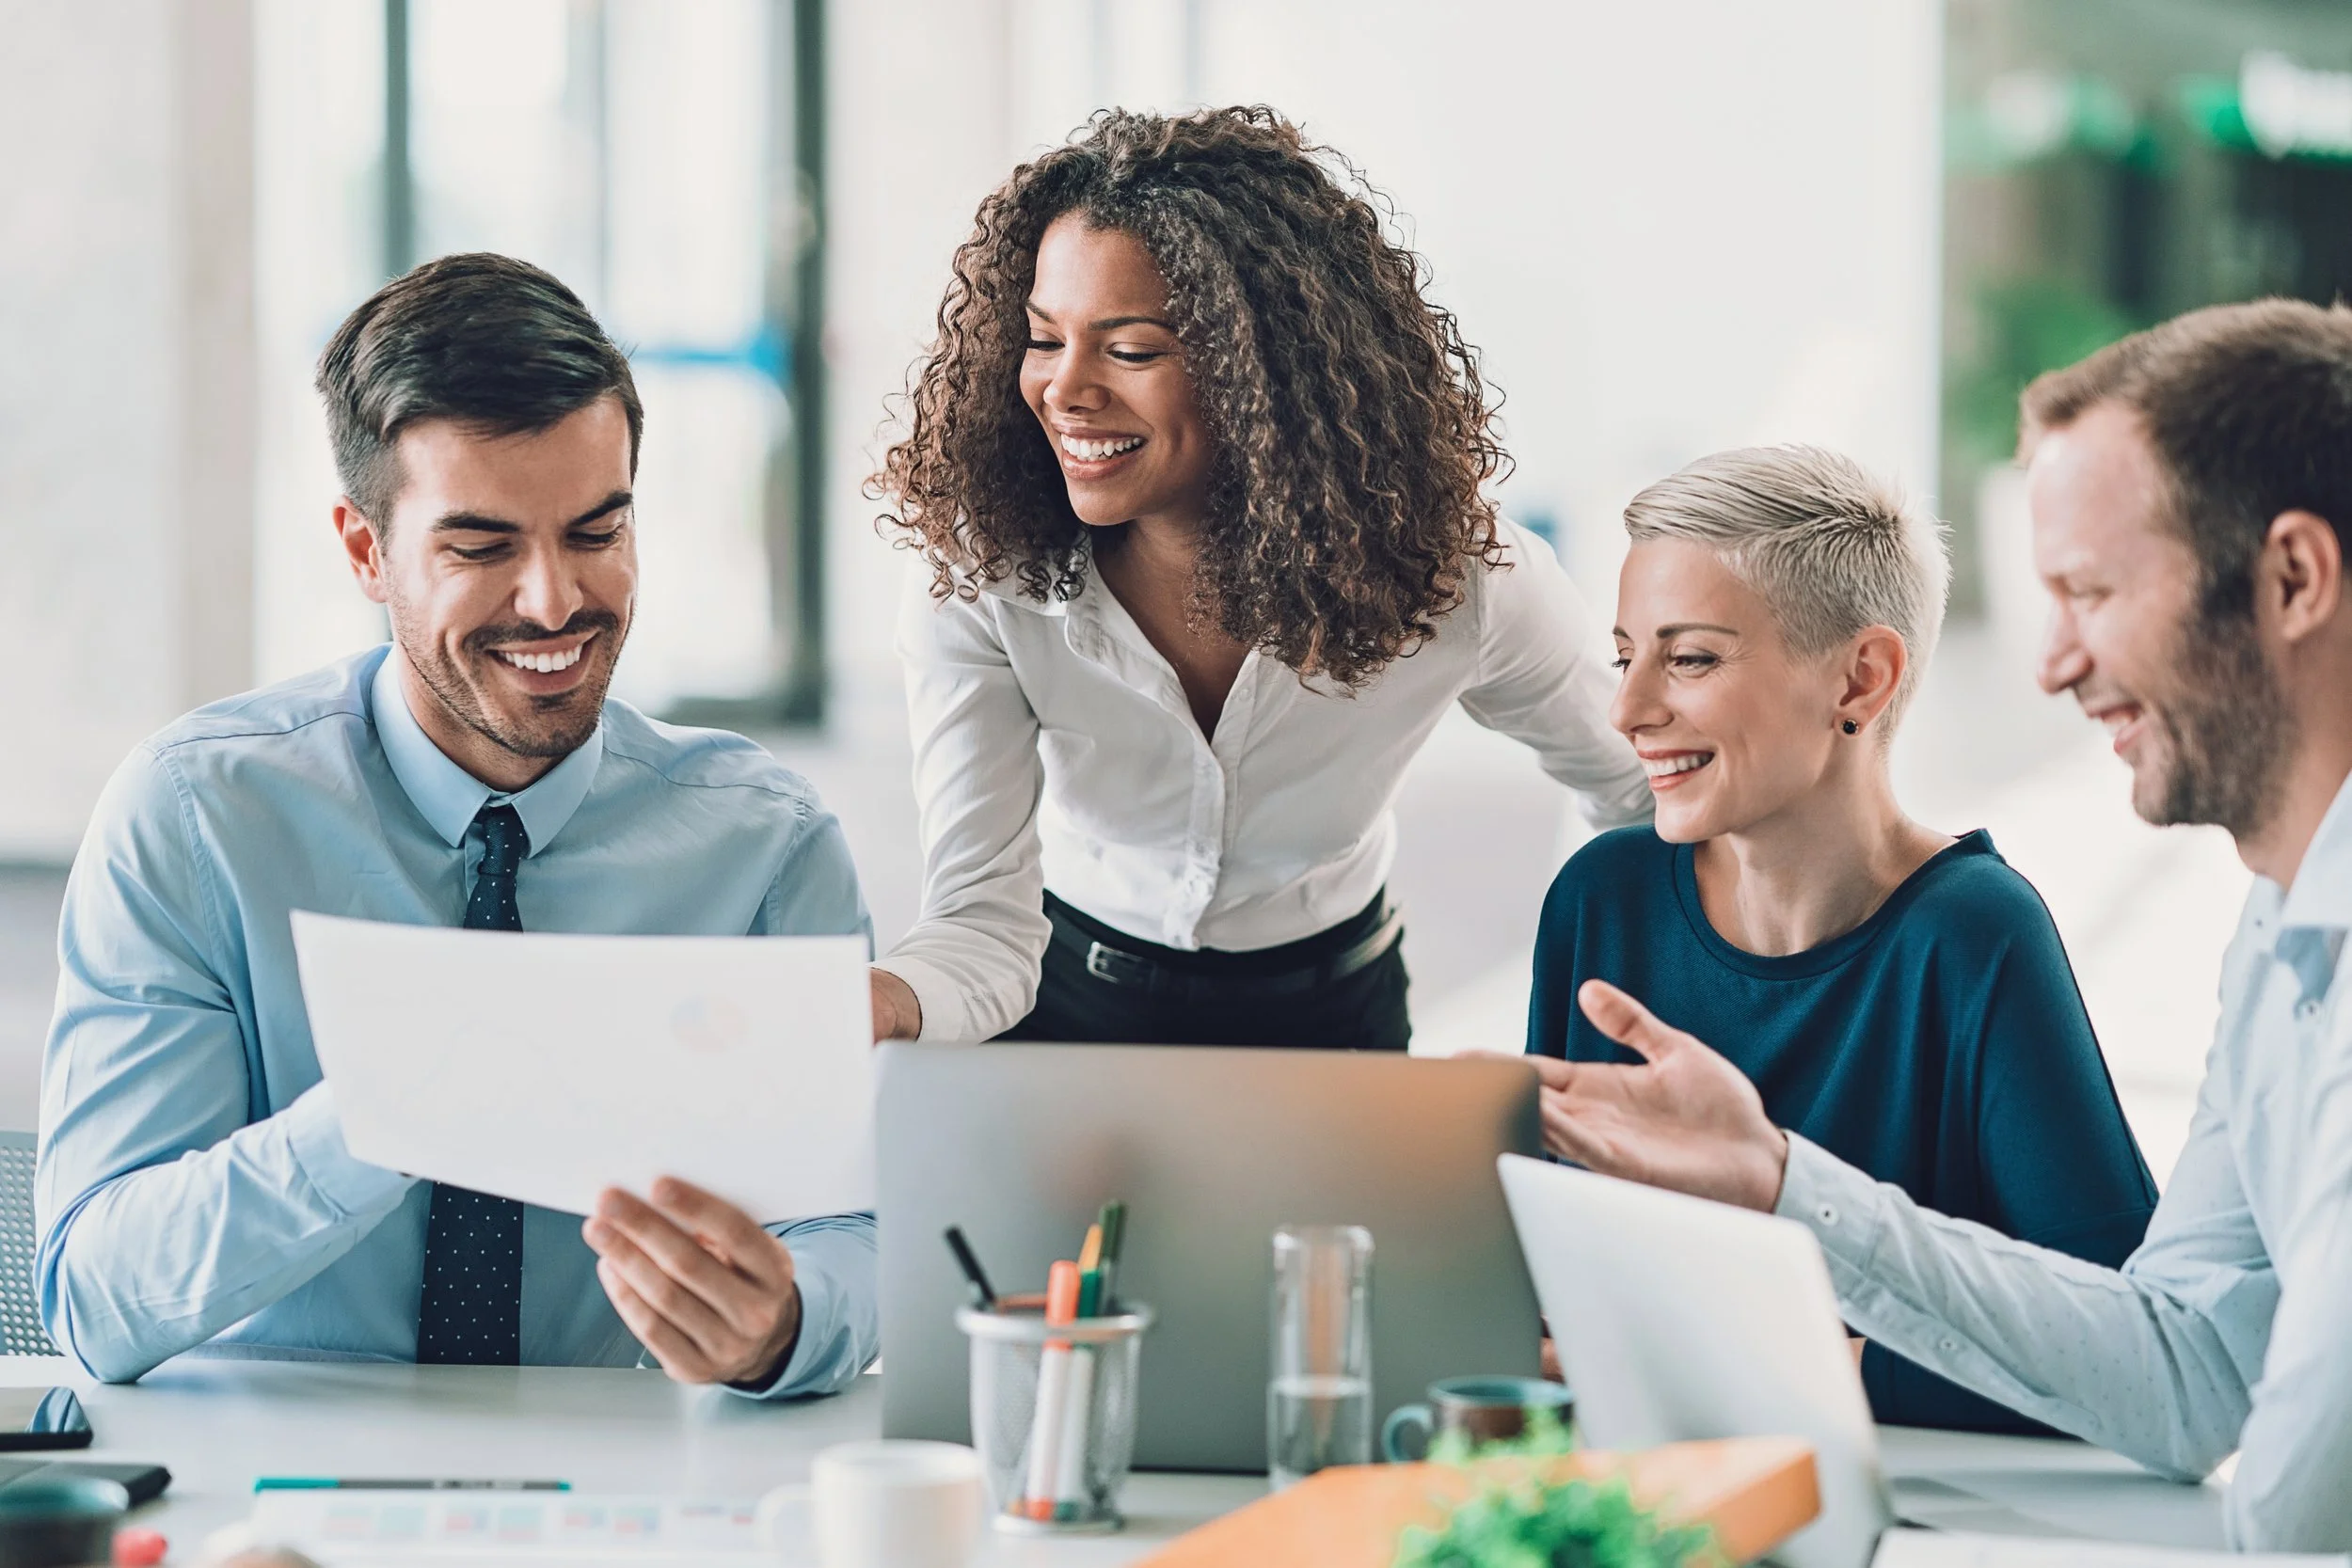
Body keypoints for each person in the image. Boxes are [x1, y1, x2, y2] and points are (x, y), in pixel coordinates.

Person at [1529, 298, 2352, 1552]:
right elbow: (2184, 1373)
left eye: (2091, 589)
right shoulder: (2284, 936)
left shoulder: (1981, 927)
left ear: (2293, 578)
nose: (2052, 665)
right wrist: (1781, 1181)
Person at [37, 254, 878, 1396]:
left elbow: (857, 1232)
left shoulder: (764, 848)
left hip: (620, 1486)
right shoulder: (194, 816)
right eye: (481, 547)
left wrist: (785, 1324)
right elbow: (94, 1296)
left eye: (597, 531)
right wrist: (392, 1106)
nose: (552, 601)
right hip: (270, 1489)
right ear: (364, 551)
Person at [866, 106, 1649, 1049]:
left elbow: (1639, 793)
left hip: (1331, 1013)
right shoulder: (982, 575)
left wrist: (1591, 993)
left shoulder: (1460, 578)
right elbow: (979, 926)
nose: (1064, 390)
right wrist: (883, 1003)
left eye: (1130, 349)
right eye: (1042, 338)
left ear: (1262, 374)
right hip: (1064, 996)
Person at [1527, 446, 2156, 1433]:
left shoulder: (1974, 935)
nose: (1627, 708)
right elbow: (1538, 1300)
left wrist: (1723, 1363)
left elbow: (2119, 1357)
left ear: (1860, 680)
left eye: (1687, 657)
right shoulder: (1599, 899)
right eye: (1624, 654)